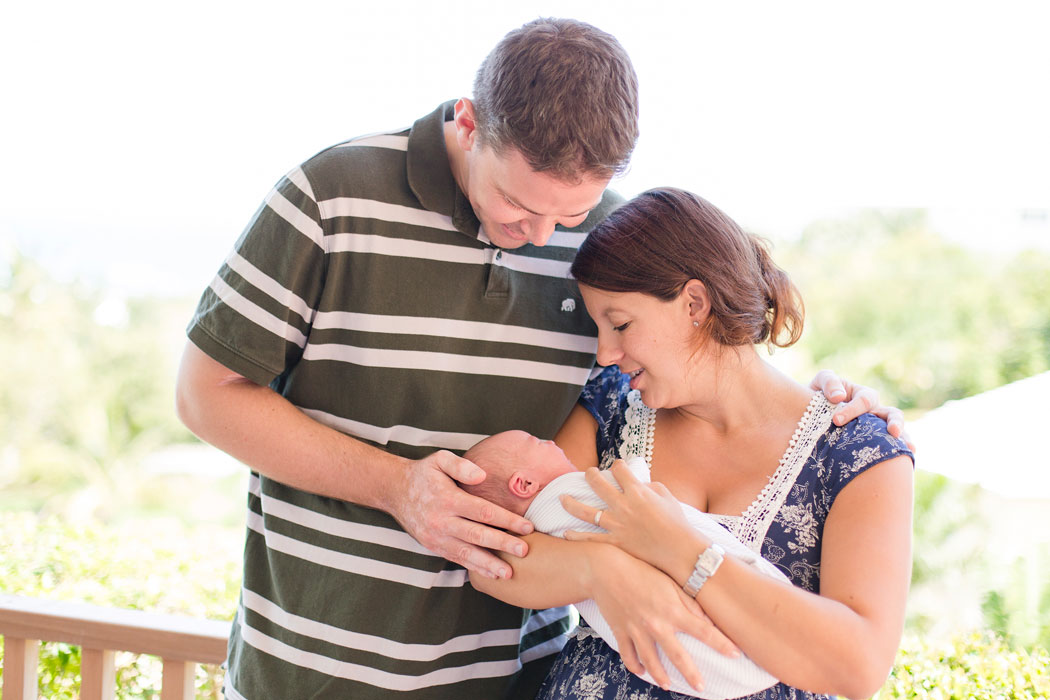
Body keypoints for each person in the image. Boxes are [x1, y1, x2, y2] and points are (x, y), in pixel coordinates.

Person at [175, 17, 902, 699]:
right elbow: (207, 394)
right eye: (519, 205)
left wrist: (838, 405)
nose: (542, 234)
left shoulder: (608, 242)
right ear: (468, 122)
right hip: (315, 671)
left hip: (512, 681)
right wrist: (397, 486)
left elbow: (703, 358)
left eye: (569, 214)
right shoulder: (331, 197)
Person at [470, 188, 915, 700]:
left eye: (620, 324)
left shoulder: (857, 450)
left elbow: (857, 666)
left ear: (694, 304)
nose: (605, 352)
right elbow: (495, 559)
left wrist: (679, 548)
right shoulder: (610, 410)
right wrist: (601, 570)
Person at [464, 430, 788, 698]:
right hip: (739, 618)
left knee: (694, 655)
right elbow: (632, 489)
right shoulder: (567, 495)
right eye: (537, 443)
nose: (550, 441)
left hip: (671, 669)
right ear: (524, 484)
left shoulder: (541, 535)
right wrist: (633, 466)